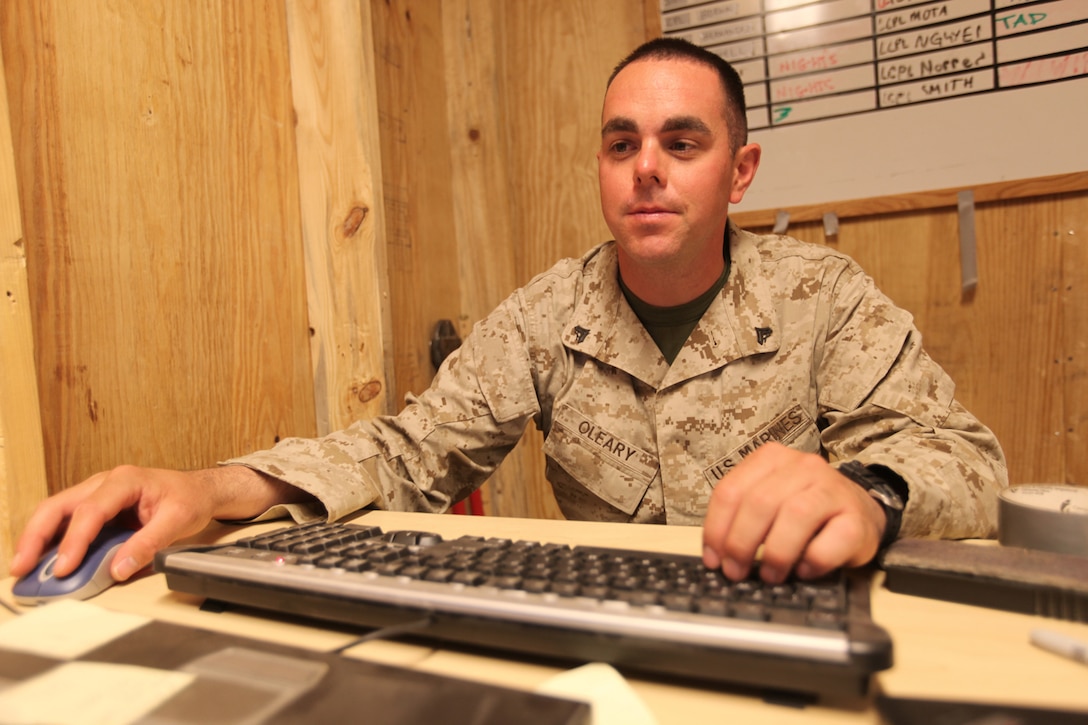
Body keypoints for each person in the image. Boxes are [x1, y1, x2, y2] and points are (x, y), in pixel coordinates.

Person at [11, 37, 1007, 589]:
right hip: (611, 644)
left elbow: (964, 461)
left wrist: (867, 493)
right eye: (620, 144)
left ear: (739, 169)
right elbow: (408, 454)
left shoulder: (822, 298)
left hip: (791, 631)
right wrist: (215, 485)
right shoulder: (547, 313)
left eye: (680, 142)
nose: (646, 168)